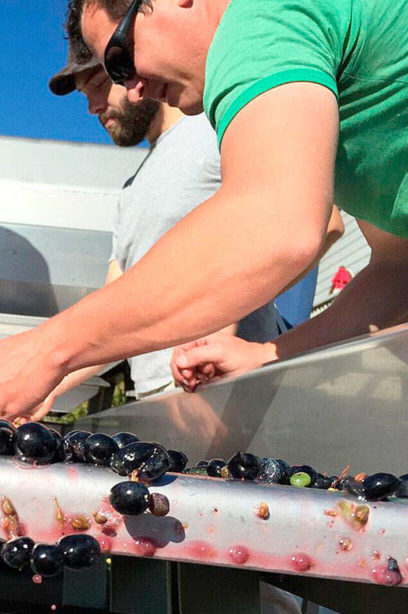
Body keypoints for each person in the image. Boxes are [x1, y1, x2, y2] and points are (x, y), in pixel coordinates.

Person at [0, 0, 408, 423]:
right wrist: (266, 357)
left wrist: (49, 347)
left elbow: (273, 224)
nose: (131, 86)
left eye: (119, 57)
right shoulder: (317, 91)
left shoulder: (256, 19)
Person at [34, 8, 290, 419]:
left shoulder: (217, 125)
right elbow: (113, 307)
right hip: (157, 401)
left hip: (233, 397)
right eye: (85, 96)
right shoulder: (131, 190)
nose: (94, 106)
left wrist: (220, 327)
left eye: (100, 82)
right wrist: (44, 380)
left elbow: (304, 222)